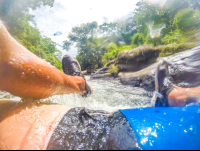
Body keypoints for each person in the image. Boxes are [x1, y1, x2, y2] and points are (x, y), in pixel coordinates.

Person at [0, 19, 200, 150]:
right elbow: (13, 68)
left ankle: (177, 96)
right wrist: (70, 81)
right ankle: (79, 84)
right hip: (108, 137)